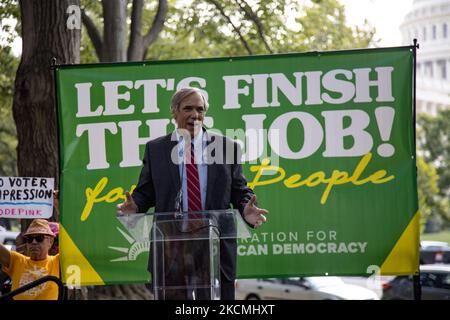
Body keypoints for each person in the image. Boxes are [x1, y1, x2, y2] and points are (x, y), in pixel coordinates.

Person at [117, 87, 268, 300]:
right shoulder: (156, 149)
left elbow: (238, 190)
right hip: (171, 246)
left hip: (215, 246)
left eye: (200, 109)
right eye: (188, 108)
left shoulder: (226, 147)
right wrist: (136, 206)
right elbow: (146, 192)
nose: (195, 115)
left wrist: (245, 208)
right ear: (174, 112)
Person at [0, 219, 60, 300]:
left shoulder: (57, 261)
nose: (34, 242)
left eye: (39, 238)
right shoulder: (17, 260)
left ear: (50, 241)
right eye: (29, 239)